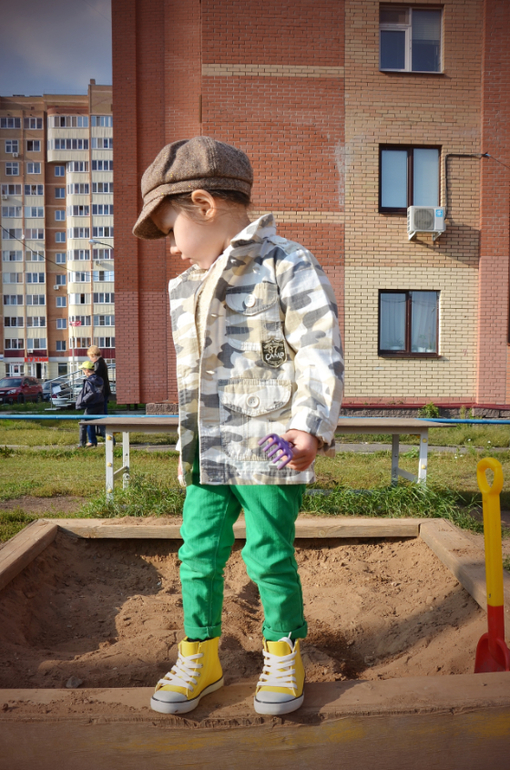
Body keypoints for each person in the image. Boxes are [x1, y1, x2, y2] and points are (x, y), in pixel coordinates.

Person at [133, 136, 344, 717]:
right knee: (197, 551)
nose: (172, 248)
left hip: (270, 446)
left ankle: (284, 650)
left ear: (203, 205)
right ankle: (200, 654)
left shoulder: (286, 263)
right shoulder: (189, 286)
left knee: (269, 553)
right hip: (207, 450)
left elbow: (318, 347)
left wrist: (310, 425)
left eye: (170, 230)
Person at [86, 345, 111, 444]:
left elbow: (95, 379)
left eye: (90, 356)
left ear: (93, 355)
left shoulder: (98, 365)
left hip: (99, 394)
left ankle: (95, 439)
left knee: (94, 417)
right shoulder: (102, 363)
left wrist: (88, 374)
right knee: (102, 416)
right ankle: (107, 438)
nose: (90, 359)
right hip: (103, 393)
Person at [76, 360, 104, 448]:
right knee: (102, 425)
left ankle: (82, 444)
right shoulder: (100, 379)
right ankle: (112, 442)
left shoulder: (88, 381)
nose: (84, 372)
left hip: (91, 405)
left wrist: (83, 400)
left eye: (83, 370)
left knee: (83, 424)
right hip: (100, 404)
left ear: (87, 370)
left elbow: (91, 393)